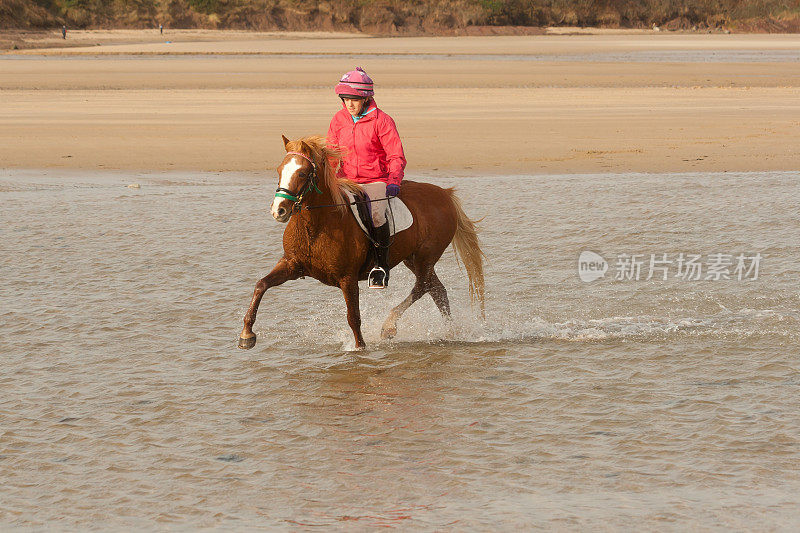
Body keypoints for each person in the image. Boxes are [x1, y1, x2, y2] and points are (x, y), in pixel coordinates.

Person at [327, 67, 406, 289]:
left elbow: (396, 155)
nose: (349, 104)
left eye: (354, 99)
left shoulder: (382, 120)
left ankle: (381, 267)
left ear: (366, 98)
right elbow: (332, 154)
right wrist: (330, 178)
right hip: (347, 180)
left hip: (375, 179)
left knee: (377, 216)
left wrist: (393, 181)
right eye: (345, 99)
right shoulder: (338, 119)